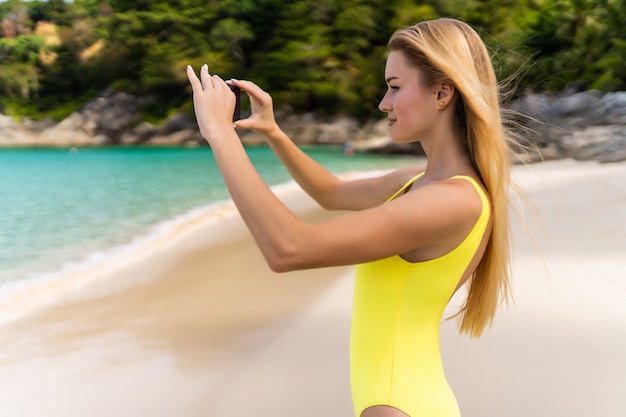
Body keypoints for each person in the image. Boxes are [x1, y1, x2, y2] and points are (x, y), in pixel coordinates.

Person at [187, 17, 513, 417]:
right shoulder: (422, 183)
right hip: (401, 399)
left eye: (394, 87)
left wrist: (220, 134)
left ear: (442, 93)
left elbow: (288, 248)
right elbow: (331, 193)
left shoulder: (450, 201)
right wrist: (273, 131)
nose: (383, 103)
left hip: (398, 404)